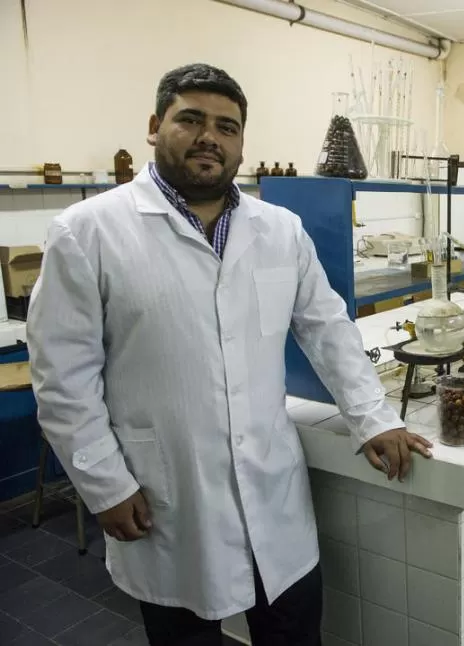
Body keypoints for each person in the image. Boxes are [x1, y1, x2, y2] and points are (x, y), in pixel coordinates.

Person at [26, 63, 432, 646]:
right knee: (185, 636)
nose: (209, 137)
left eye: (227, 126)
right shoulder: (87, 232)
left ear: (241, 141)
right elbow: (63, 377)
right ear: (154, 126)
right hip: (167, 495)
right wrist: (105, 483)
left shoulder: (280, 230)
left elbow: (328, 329)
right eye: (190, 119)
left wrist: (372, 417)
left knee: (293, 635)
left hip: (274, 492)